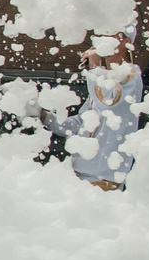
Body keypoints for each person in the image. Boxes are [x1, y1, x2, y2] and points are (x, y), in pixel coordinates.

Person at [61, 32, 142, 189]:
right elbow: (81, 122)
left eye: (112, 35)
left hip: (103, 183)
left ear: (126, 40)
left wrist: (94, 67)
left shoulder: (130, 75)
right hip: (79, 178)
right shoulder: (104, 78)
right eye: (103, 34)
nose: (105, 39)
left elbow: (108, 102)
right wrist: (44, 116)